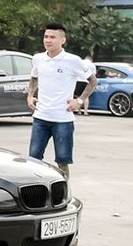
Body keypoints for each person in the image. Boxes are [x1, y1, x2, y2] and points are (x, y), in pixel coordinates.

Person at [26, 22, 95, 180]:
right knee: (33, 159)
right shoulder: (38, 58)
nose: (48, 40)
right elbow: (34, 77)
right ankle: (36, 190)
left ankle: (64, 190)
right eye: (46, 36)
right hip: (40, 118)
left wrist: (79, 101)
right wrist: (30, 95)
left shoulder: (72, 60)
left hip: (63, 119)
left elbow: (92, 81)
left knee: (62, 161)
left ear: (63, 40)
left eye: (52, 37)